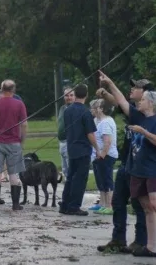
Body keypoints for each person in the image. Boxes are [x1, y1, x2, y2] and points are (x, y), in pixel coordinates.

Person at [99, 72, 156, 259]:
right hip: (138, 170)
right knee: (146, 206)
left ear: (151, 103)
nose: (140, 102)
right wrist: (110, 83)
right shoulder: (139, 116)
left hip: (154, 170)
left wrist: (143, 132)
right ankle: (151, 248)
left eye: (143, 99)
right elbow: (121, 100)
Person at [95, 76, 152, 254]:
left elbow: (120, 101)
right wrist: (105, 92)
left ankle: (141, 241)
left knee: (138, 204)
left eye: (136, 87)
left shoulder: (142, 113)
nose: (132, 89)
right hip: (126, 163)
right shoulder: (135, 108)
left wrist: (110, 83)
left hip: (139, 167)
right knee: (118, 202)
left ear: (147, 94)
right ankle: (118, 239)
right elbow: (118, 102)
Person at [0, 80, 28, 210]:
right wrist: (22, 140)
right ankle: (15, 204)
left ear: (1, 89)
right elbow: (24, 124)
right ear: (14, 89)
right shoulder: (19, 104)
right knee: (13, 173)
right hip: (14, 142)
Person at [59, 84, 99, 216]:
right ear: (86, 95)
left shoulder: (67, 111)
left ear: (75, 94)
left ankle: (65, 204)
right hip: (83, 148)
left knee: (71, 176)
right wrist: (97, 148)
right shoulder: (86, 112)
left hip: (71, 147)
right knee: (80, 179)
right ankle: (74, 206)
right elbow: (90, 134)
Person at [88, 99, 118, 215]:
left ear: (101, 109)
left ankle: (109, 205)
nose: (93, 110)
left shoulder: (106, 122)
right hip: (97, 156)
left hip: (106, 156)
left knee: (107, 180)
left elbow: (107, 142)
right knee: (100, 180)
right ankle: (102, 203)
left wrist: (102, 155)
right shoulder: (96, 121)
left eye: (95, 107)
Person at [57, 87, 75, 179]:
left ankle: (73, 189)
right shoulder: (62, 108)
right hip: (62, 142)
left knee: (70, 168)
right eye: (66, 95)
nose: (69, 97)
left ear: (75, 96)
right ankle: (68, 189)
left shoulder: (76, 109)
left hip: (70, 142)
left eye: (71, 95)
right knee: (64, 170)